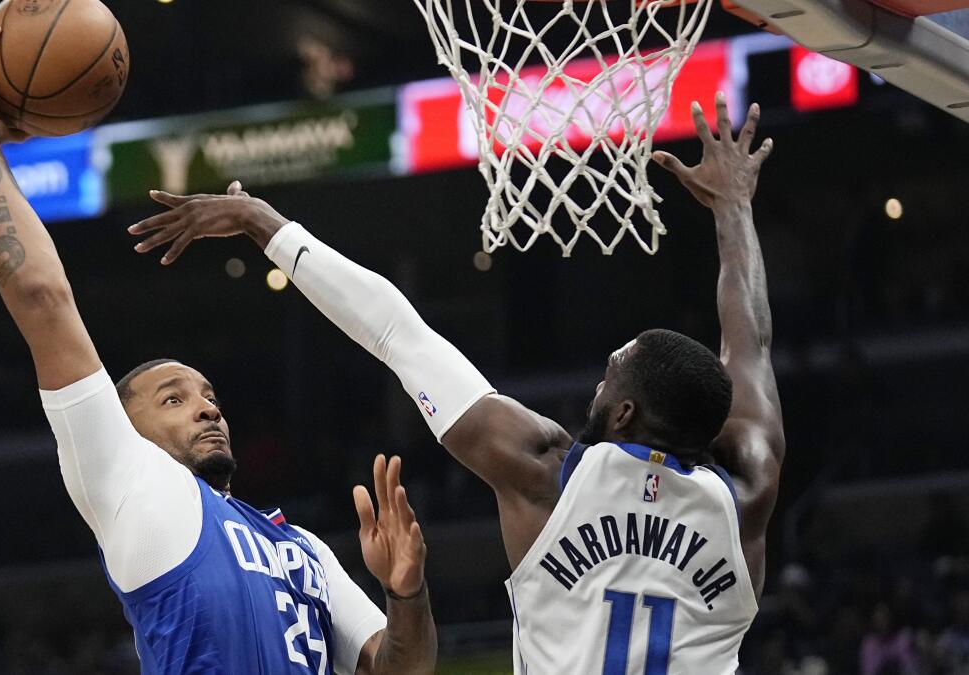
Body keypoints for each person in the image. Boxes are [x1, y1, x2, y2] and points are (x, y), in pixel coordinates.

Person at [130, 93, 783, 673]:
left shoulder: (544, 471)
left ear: (623, 412)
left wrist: (261, 223)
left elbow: (396, 331)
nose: (596, 385)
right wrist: (735, 210)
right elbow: (749, 342)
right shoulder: (749, 488)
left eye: (608, 375)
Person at [0, 6, 437, 675]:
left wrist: (406, 591)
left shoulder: (302, 548)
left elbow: (402, 669)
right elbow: (42, 297)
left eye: (207, 394)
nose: (208, 406)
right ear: (122, 426)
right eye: (173, 398)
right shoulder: (121, 473)